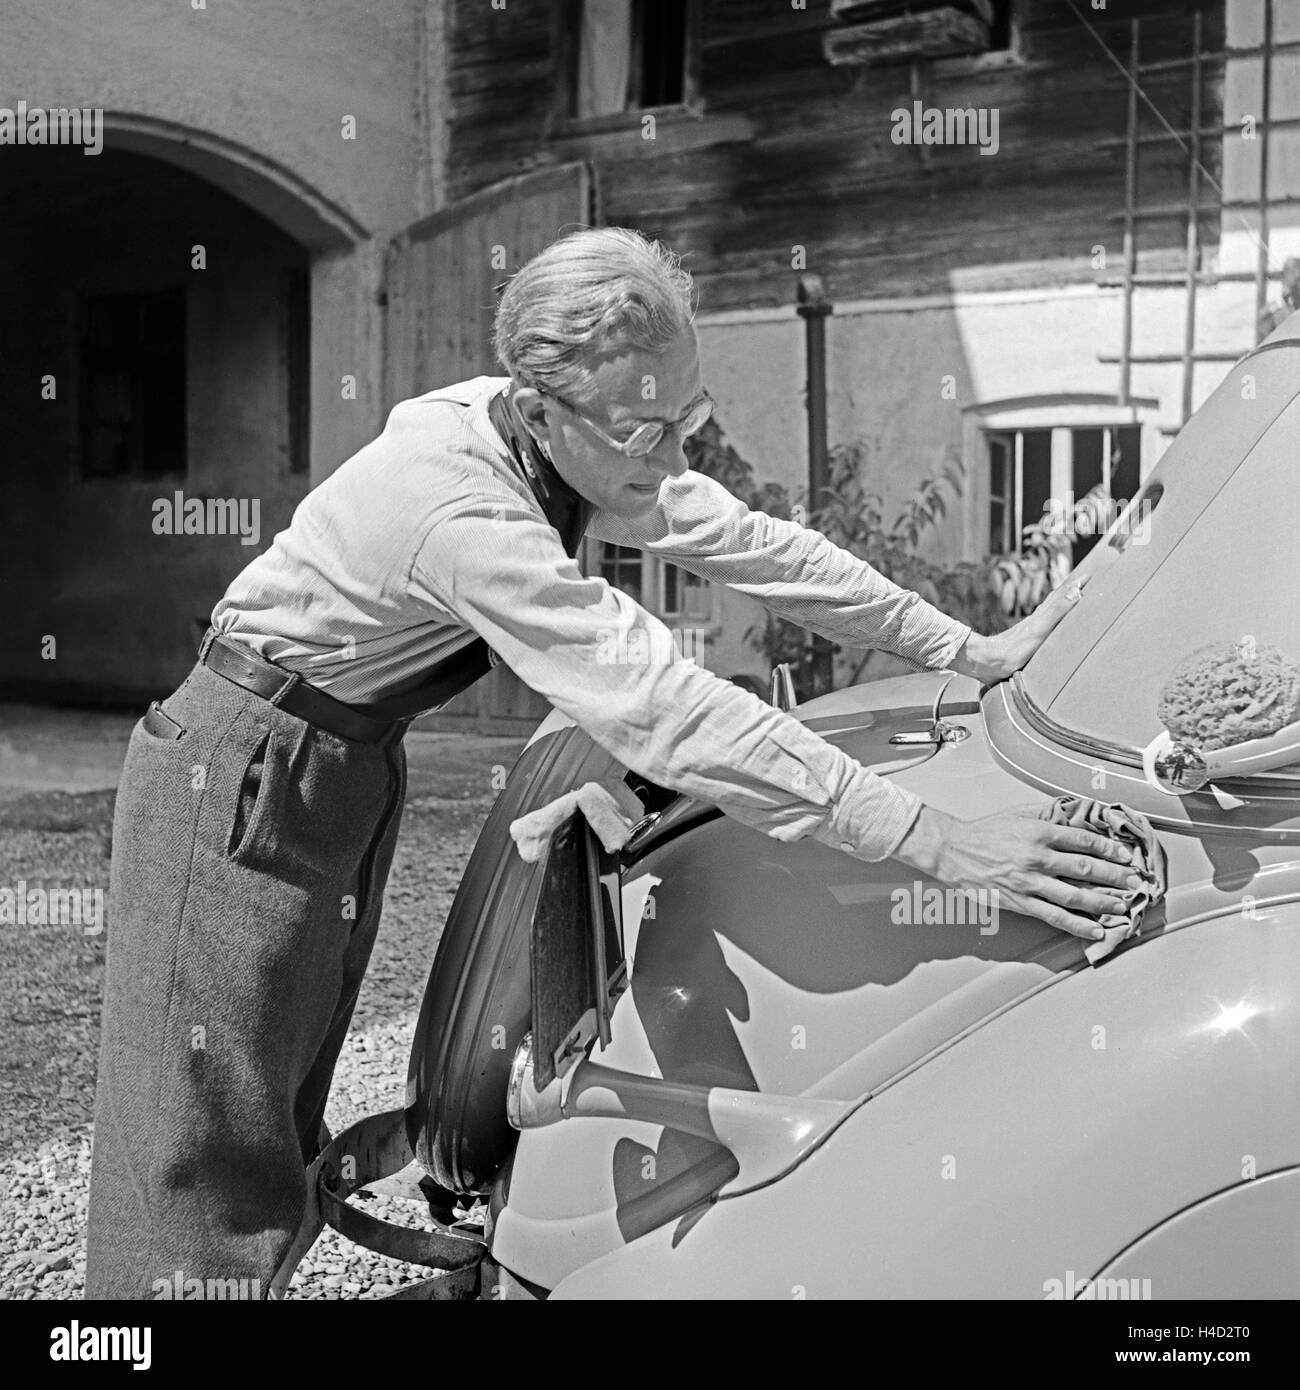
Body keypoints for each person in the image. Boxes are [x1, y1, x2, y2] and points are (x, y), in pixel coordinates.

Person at [85, 227, 1142, 1299]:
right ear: (540, 407)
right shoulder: (458, 504)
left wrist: (967, 648)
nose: (675, 457)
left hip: (340, 760)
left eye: (687, 416)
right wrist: (944, 842)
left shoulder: (568, 434)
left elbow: (760, 545)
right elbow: (660, 703)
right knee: (201, 1156)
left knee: (278, 1109)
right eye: (649, 429)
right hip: (242, 772)